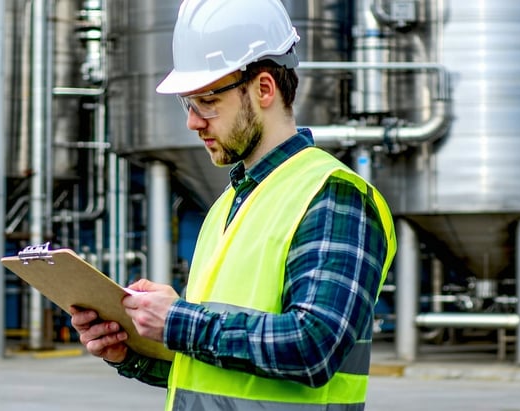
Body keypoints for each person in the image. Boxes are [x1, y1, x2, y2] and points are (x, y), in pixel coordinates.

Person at [70, 0, 397, 409]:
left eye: (207, 101)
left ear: (263, 89)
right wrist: (132, 353)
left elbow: (314, 347)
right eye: (188, 104)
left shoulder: (332, 196)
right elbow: (219, 375)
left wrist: (177, 320)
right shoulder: (227, 204)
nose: (193, 122)